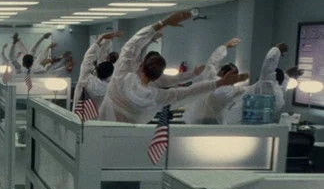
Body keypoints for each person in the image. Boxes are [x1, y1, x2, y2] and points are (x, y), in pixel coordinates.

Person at [99, 10, 249, 124]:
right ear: (158, 77)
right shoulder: (156, 97)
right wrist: (219, 83)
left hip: (99, 134)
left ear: (142, 64)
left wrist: (162, 23)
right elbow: (189, 91)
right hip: (126, 142)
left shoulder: (119, 80)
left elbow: (131, 47)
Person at [73, 31, 122, 109]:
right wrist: (108, 40)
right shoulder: (109, 88)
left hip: (78, 114)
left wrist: (101, 38)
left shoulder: (85, 80)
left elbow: (89, 56)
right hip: (98, 116)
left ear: (97, 68)